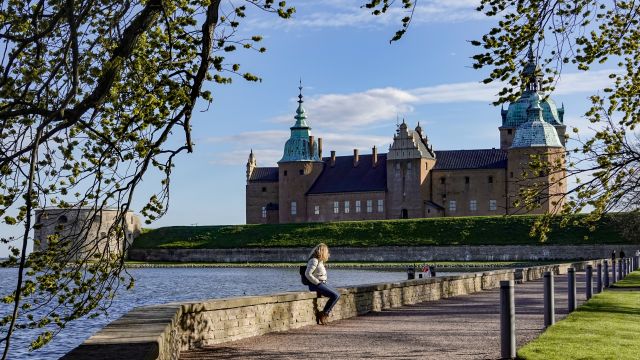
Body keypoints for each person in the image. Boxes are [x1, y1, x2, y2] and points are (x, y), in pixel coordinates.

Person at [305, 243, 340, 325]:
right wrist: (317, 282)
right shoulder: (314, 260)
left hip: (322, 284)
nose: (328, 254)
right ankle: (324, 314)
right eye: (327, 251)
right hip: (315, 285)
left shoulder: (319, 261)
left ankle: (324, 313)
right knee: (335, 295)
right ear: (322, 251)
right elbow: (307, 274)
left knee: (337, 294)